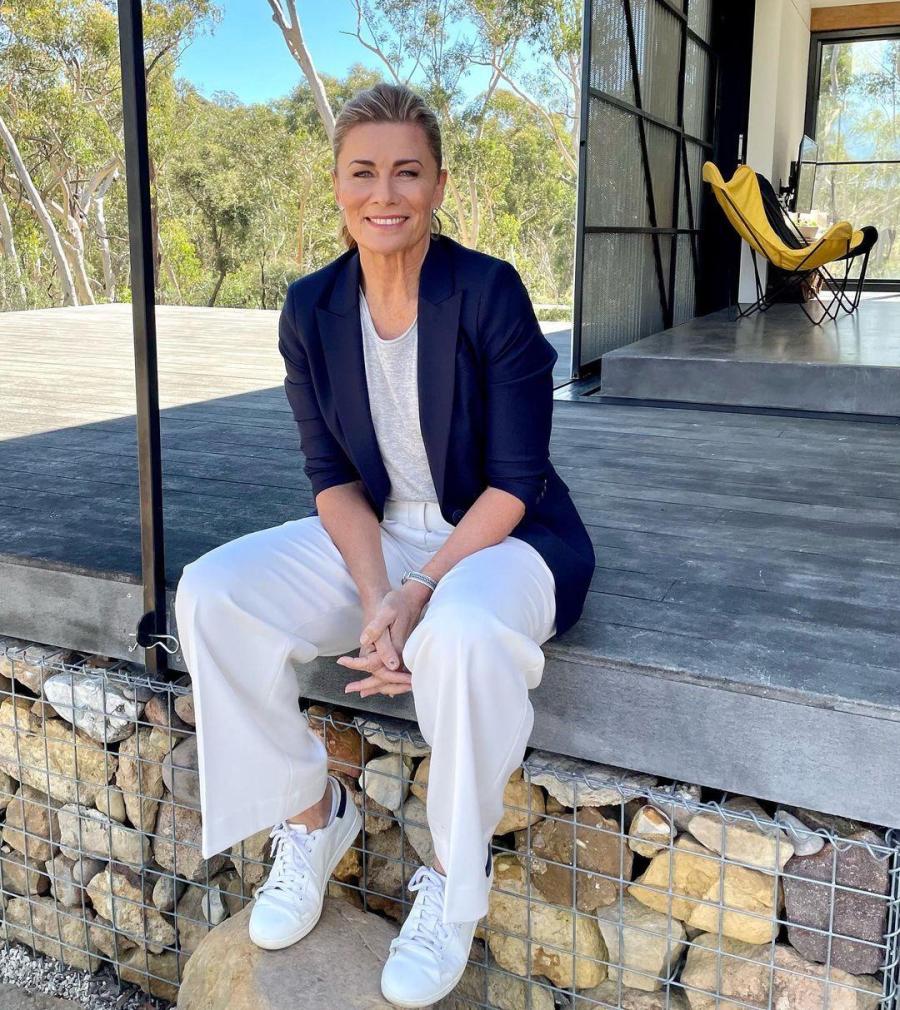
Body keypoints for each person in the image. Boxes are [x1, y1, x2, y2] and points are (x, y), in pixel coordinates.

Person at [173, 81, 595, 1008]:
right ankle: (311, 815)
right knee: (211, 593)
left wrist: (421, 592)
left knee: (464, 636)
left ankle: (451, 884)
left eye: (408, 172)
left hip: (503, 538)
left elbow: (516, 480)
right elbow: (332, 479)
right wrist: (377, 598)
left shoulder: (488, 292)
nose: (385, 193)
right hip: (382, 537)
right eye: (363, 172)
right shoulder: (310, 309)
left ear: (438, 185)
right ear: (336, 184)